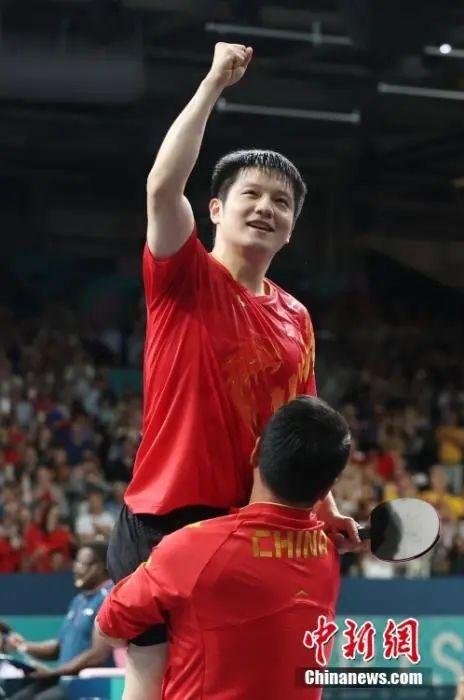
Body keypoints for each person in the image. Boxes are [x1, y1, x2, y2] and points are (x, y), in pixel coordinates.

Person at [107, 41, 359, 697]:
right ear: (215, 209)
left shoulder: (296, 316)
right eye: (251, 194)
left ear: (291, 229)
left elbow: (297, 426)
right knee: (150, 680)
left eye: (282, 202)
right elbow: (162, 187)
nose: (266, 207)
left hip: (247, 528)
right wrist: (214, 82)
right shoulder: (183, 276)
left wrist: (327, 510)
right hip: (166, 512)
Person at [98, 396, 350, 699]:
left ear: (256, 452)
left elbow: (109, 628)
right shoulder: (327, 555)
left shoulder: (191, 549)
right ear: (327, 489)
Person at [7, 542, 114, 700]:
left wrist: (54, 672)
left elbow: (97, 655)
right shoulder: (78, 601)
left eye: (82, 563)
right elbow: (57, 647)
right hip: (63, 680)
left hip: (87, 684)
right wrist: (23, 645)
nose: (76, 568)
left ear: (100, 567)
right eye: (76, 562)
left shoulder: (109, 599)